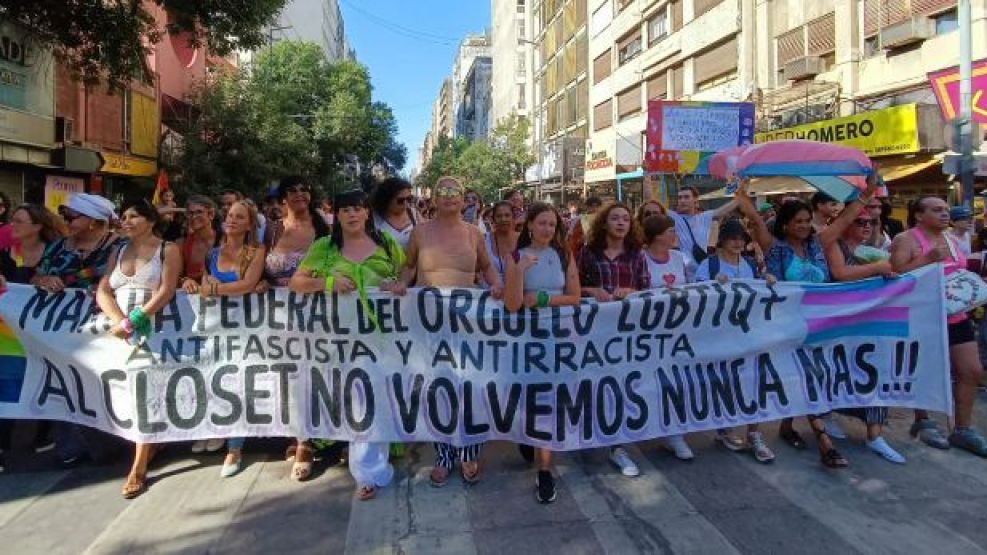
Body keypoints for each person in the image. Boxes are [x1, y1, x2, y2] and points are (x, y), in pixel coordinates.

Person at [737, 179, 876, 468]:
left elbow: (846, 218)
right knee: (806, 376)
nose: (803, 225)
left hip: (821, 324)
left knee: (806, 376)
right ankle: (824, 441)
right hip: (787, 326)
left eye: (806, 220)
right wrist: (741, 190)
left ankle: (787, 427)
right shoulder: (775, 249)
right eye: (797, 221)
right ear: (786, 225)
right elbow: (752, 216)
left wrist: (866, 194)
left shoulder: (819, 243)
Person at [290, 189, 406, 500]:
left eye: (358, 208)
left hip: (380, 340)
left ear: (367, 213)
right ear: (337, 215)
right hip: (336, 341)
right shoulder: (324, 247)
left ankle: (368, 468)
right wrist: (327, 283)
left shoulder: (386, 244)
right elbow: (296, 283)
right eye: (345, 210)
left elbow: (405, 274)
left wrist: (397, 286)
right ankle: (358, 464)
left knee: (374, 398)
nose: (352, 214)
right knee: (350, 400)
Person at [396, 176, 503, 487]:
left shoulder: (474, 233)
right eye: (441, 191)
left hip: (468, 323)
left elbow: (486, 268)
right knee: (438, 389)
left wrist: (495, 284)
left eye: (454, 191)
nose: (448, 196)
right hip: (430, 324)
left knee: (470, 388)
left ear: (464, 199)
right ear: (434, 197)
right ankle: (443, 455)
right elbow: (410, 267)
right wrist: (402, 282)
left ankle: (469, 452)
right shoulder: (420, 232)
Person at [95, 201, 181, 498]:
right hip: (120, 333)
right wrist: (119, 321)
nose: (126, 221)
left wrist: (135, 320)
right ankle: (150, 444)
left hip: (154, 330)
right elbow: (104, 289)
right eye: (123, 217)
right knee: (125, 391)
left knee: (145, 391)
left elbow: (166, 290)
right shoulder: (117, 251)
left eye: (133, 216)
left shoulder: (167, 249)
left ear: (150, 220)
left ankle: (139, 465)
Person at [890, 197, 987, 457]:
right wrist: (928, 259)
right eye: (937, 210)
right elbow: (895, 276)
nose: (945, 214)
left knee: (971, 370)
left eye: (946, 210)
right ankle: (923, 421)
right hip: (923, 318)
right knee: (926, 371)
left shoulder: (953, 241)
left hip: (956, 316)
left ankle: (963, 429)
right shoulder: (906, 240)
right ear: (919, 216)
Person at [33, 193, 125, 467]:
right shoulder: (58, 247)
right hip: (60, 330)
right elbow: (36, 275)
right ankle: (70, 446)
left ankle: (108, 443)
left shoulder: (119, 248)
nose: (67, 222)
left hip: (102, 329)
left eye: (73, 217)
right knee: (65, 380)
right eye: (67, 216)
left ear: (95, 222)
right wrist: (43, 278)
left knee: (100, 382)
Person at [503, 202, 581, 503]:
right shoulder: (516, 256)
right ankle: (527, 439)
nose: (548, 229)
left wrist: (544, 298)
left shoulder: (563, 255)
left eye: (553, 224)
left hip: (559, 338)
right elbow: (512, 305)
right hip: (526, 342)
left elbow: (574, 297)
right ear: (530, 225)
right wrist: (519, 272)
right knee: (527, 400)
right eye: (542, 223)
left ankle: (545, 471)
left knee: (548, 404)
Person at [185, 199, 267, 476]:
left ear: (249, 224)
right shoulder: (213, 253)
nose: (232, 220)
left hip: (248, 330)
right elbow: (205, 283)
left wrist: (216, 290)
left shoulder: (256, 251)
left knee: (241, 382)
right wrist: (197, 284)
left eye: (239, 217)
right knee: (216, 379)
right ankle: (215, 430)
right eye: (230, 215)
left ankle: (235, 448)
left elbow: (246, 285)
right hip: (218, 329)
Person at [260, 176, 331, 479]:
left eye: (305, 189)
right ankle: (298, 433)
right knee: (288, 375)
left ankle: (307, 442)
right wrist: (260, 281)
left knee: (316, 374)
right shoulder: (272, 230)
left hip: (318, 315)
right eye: (294, 190)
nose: (300, 194)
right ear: (283, 198)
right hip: (278, 317)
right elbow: (258, 266)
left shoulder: (325, 228)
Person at [823, 206, 905, 464]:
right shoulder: (833, 245)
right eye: (859, 221)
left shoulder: (876, 251)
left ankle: (875, 434)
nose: (866, 226)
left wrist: (886, 272)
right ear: (845, 223)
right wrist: (877, 268)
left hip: (869, 322)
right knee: (836, 371)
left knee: (875, 370)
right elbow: (840, 274)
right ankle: (827, 416)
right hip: (837, 322)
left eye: (871, 222)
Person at [578, 202, 649, 477]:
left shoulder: (637, 255)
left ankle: (617, 446)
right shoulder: (588, 253)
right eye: (615, 218)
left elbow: (646, 290)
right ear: (604, 223)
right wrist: (591, 290)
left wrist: (630, 292)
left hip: (625, 330)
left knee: (619, 384)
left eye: (625, 219)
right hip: (593, 330)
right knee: (593, 381)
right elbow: (573, 288)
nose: (621, 223)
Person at [0, 204, 64, 472]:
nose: (11, 226)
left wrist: (46, 278)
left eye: (18, 221)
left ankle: (43, 431)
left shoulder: (56, 253)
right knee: (6, 385)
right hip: (7, 334)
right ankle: (2, 446)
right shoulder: (4, 252)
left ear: (37, 226)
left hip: (42, 334)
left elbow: (69, 281)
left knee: (43, 378)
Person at [641, 215, 695, 460]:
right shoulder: (640, 259)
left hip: (678, 331)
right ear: (656, 235)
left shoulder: (679, 258)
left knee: (677, 382)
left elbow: (693, 287)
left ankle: (675, 435)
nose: (675, 235)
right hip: (648, 333)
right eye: (671, 230)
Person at [177, 196, 225, 454]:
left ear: (211, 213)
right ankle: (203, 426)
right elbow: (176, 274)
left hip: (224, 310)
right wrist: (185, 279)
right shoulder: (183, 244)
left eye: (198, 212)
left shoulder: (226, 238)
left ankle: (221, 426)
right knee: (197, 371)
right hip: (193, 315)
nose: (193, 217)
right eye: (189, 213)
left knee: (221, 369)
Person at [670, 186, 737, 267]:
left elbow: (724, 209)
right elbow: (653, 202)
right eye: (680, 198)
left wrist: (741, 195)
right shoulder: (674, 218)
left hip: (703, 271)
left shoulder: (705, 217)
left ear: (695, 199)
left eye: (686, 197)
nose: (682, 201)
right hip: (683, 272)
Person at [371, 177, 417, 250]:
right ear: (387, 200)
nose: (406, 204)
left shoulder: (414, 214)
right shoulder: (373, 218)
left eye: (409, 199)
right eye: (400, 200)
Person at [484, 201, 519, 285]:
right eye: (499, 216)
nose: (503, 219)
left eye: (507, 215)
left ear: (513, 218)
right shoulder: (484, 239)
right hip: (489, 294)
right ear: (493, 219)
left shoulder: (524, 239)